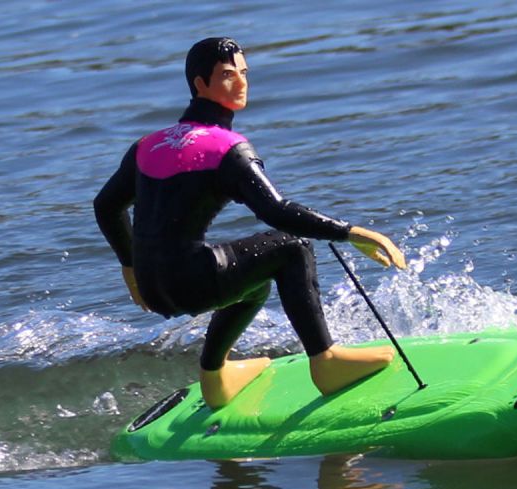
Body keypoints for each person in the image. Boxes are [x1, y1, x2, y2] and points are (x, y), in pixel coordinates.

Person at [94, 37, 406, 409]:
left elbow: (106, 206)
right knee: (293, 247)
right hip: (192, 283)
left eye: (244, 73)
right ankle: (326, 362)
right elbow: (277, 211)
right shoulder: (226, 149)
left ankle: (216, 376)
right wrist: (349, 232)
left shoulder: (147, 146)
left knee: (253, 278)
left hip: (154, 287)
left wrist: (132, 268)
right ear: (200, 84)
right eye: (228, 75)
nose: (241, 83)